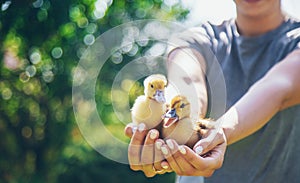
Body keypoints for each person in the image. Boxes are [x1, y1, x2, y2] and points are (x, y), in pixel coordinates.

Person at [124, 0, 300, 182]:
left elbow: (279, 86)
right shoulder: (196, 39)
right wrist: (175, 123)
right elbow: (187, 81)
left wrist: (220, 132)